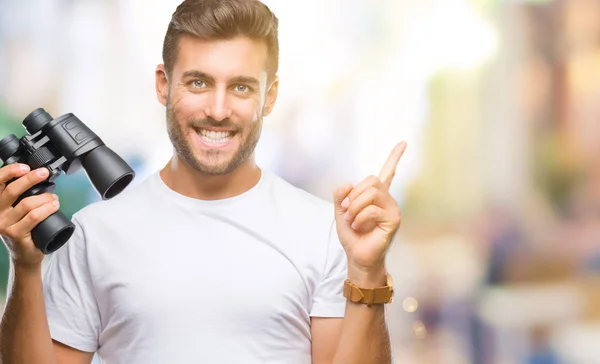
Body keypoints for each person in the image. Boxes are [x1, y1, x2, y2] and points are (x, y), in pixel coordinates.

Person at [0, 0, 406, 363]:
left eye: (242, 87)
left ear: (269, 96)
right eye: (198, 82)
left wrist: (368, 273)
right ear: (163, 84)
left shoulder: (324, 232)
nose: (217, 109)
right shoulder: (94, 235)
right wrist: (25, 265)